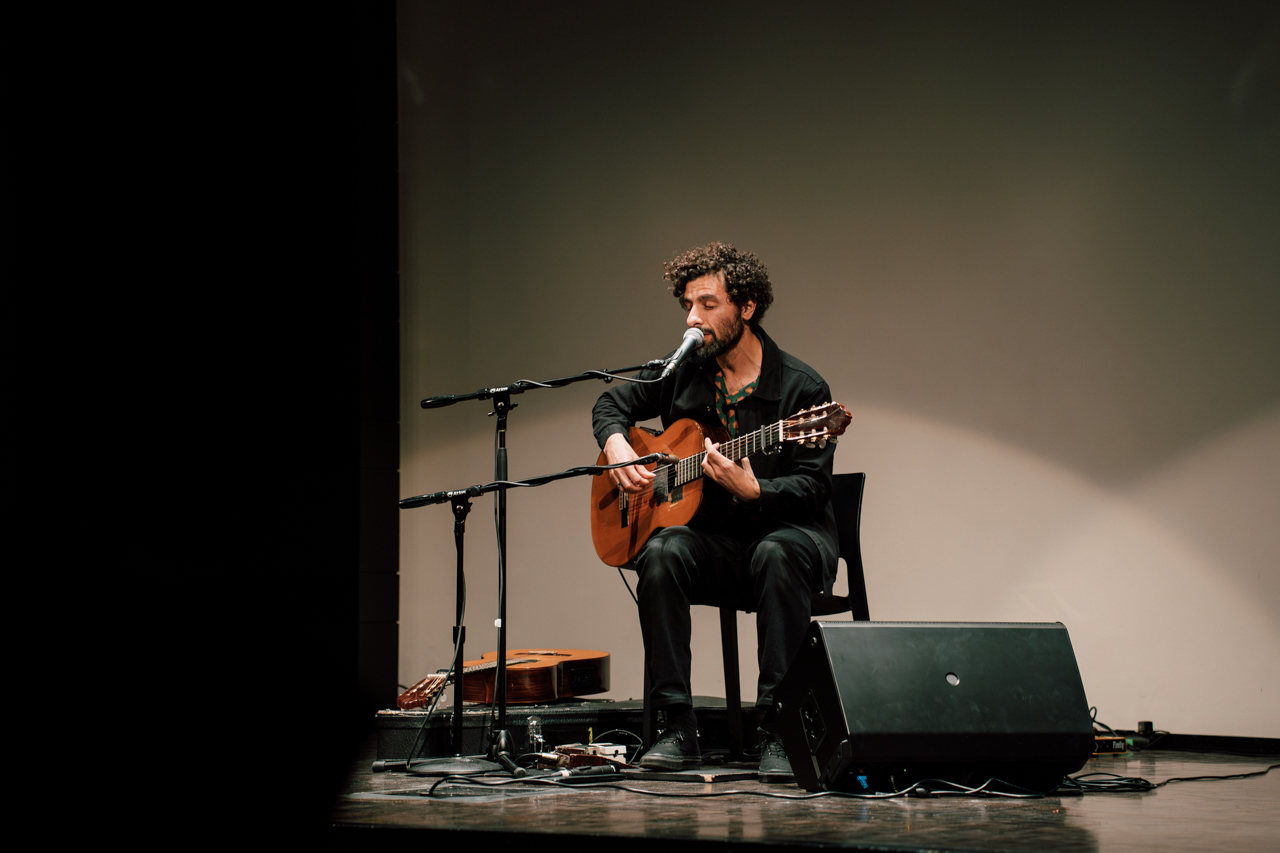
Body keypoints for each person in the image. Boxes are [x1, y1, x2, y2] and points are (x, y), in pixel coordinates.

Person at [592, 242, 839, 781]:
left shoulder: (801, 388)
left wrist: (758, 493)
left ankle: (779, 729)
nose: (691, 318)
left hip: (790, 539)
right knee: (660, 550)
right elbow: (610, 404)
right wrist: (616, 445)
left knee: (775, 552)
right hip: (719, 546)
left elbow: (814, 489)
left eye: (706, 304)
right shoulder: (683, 373)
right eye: (687, 304)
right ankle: (676, 728)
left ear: (746, 307)